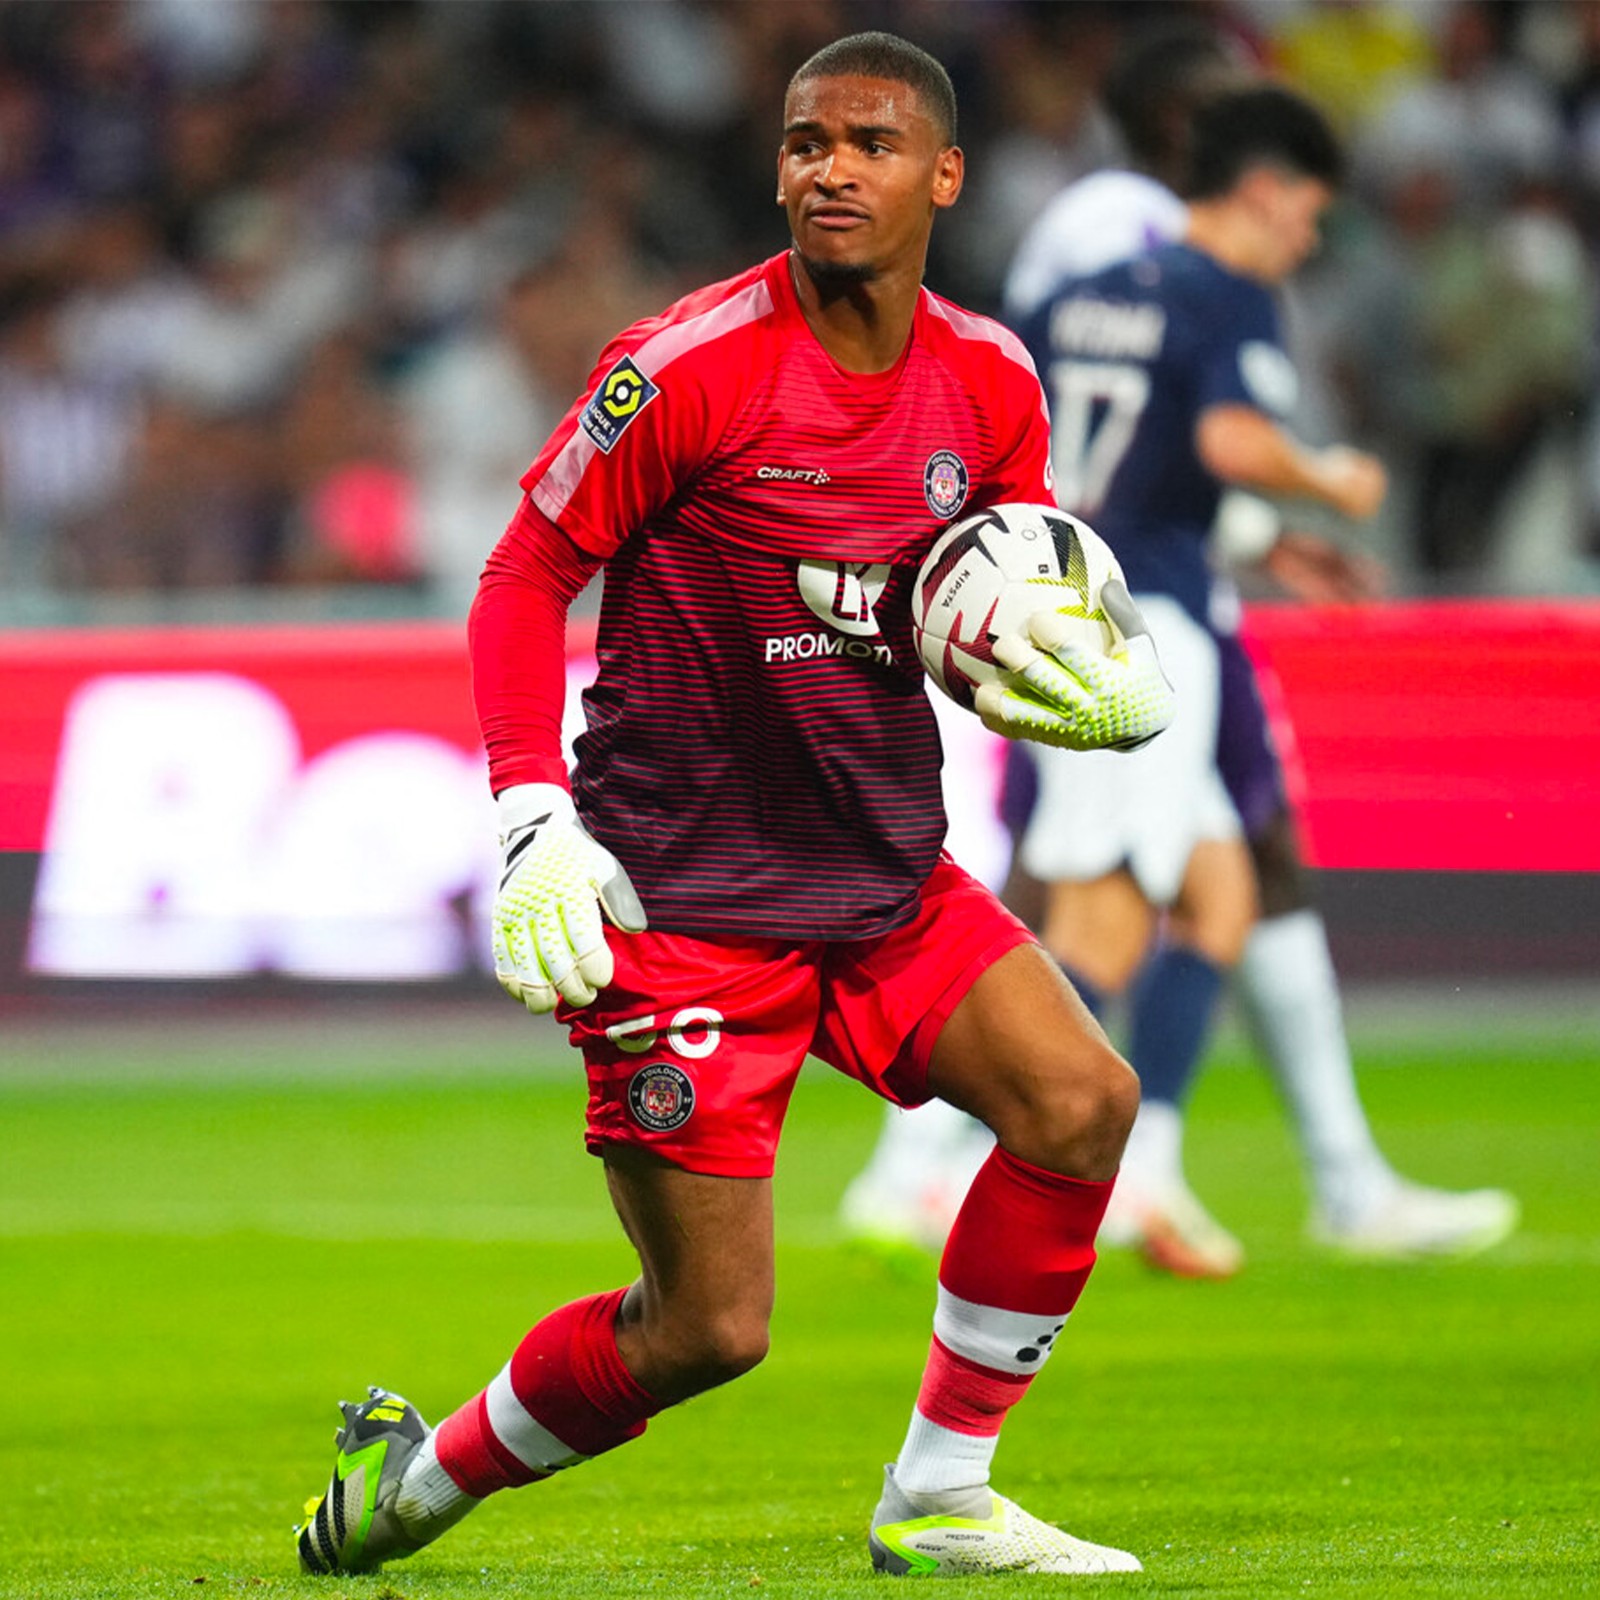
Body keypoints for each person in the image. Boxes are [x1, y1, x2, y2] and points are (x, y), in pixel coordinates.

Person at [294, 32, 1176, 1580]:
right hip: (684, 905)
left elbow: (994, 596)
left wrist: (1048, 673)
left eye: (872, 144)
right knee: (707, 1330)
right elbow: (521, 577)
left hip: (886, 877)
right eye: (806, 141)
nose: (831, 168)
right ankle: (414, 1483)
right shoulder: (690, 366)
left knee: (1081, 1102)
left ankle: (942, 1494)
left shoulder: (991, 380)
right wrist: (526, 815)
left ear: (943, 177)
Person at [842, 36, 1518, 1274]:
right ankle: (937, 1160)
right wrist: (1330, 479)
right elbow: (1226, 438)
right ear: (1262, 190)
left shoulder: (1082, 282)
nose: (1305, 242)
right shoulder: (1219, 287)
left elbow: (1032, 428)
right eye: (1306, 216)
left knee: (1220, 890)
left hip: (1061, 594)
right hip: (1145, 626)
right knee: (1106, 915)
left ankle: (1155, 1166)